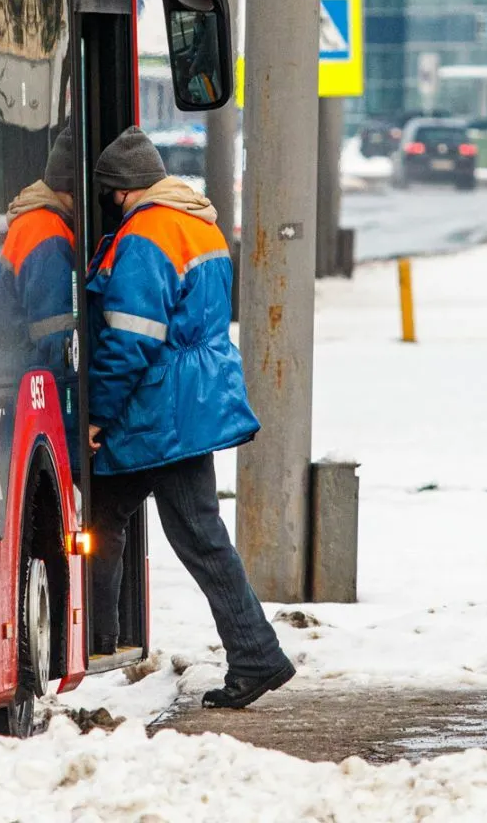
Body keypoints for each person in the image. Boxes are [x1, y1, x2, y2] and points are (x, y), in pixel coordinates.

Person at [84, 126, 294, 710]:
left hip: (160, 412)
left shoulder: (147, 234)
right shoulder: (197, 222)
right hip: (186, 401)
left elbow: (132, 338)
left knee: (200, 538)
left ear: (122, 192)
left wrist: (98, 414)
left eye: (108, 196)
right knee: (102, 512)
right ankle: (96, 637)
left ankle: (257, 656)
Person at [0, 127, 79, 455]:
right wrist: (75, 414)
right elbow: (56, 337)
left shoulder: (32, 223)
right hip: (34, 385)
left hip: (16, 378)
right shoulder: (50, 236)